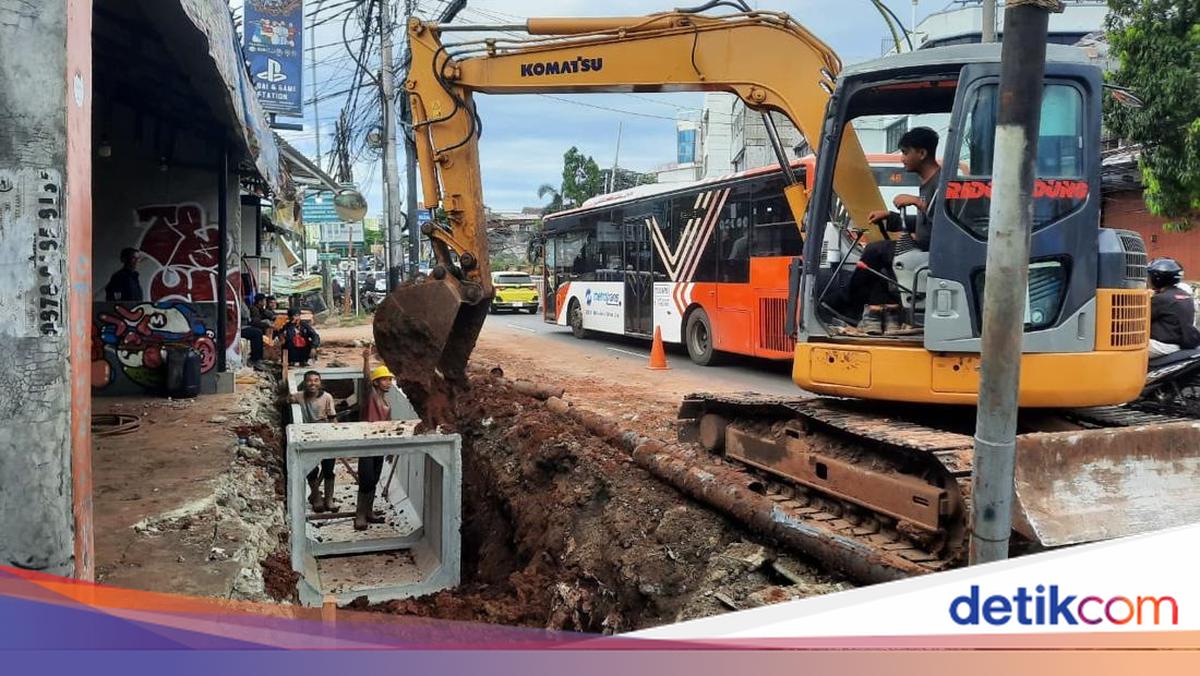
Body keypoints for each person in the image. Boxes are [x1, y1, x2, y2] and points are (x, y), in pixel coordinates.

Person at [837, 127, 942, 335]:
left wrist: (915, 202)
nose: (902, 159)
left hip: (934, 252)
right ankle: (884, 316)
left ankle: (849, 306)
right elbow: (925, 222)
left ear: (921, 154)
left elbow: (946, 219)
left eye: (905, 152)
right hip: (923, 248)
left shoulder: (942, 184)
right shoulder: (927, 184)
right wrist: (891, 217)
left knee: (873, 252)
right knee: (880, 266)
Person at [355, 345, 394, 530]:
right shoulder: (370, 396)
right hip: (366, 444)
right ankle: (360, 515)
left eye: (389, 379)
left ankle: (368, 512)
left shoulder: (387, 404)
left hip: (379, 445)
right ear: (377, 382)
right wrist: (365, 361)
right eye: (385, 379)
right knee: (365, 480)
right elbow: (365, 380)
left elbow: (390, 428)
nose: (388, 382)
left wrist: (391, 448)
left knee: (374, 479)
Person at [291, 371, 338, 512]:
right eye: (310, 380)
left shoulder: (327, 397)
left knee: (328, 469)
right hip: (309, 438)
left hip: (326, 437)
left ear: (320, 382)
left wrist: (337, 436)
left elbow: (333, 418)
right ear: (305, 383)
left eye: (316, 380)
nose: (313, 383)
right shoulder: (300, 396)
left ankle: (329, 499)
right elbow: (287, 399)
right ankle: (316, 497)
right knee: (312, 470)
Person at [1147, 258, 1200, 358]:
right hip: (1183, 342)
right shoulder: (1185, 295)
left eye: (1150, 276)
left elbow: (1140, 319)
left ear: (1158, 278)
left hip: (1164, 345)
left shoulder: (1160, 299)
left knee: (1126, 349)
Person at [240, 294, 274, 367]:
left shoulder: (261, 309)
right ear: (260, 302)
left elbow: (269, 314)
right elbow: (246, 315)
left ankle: (259, 358)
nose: (265, 302)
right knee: (257, 333)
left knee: (258, 332)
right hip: (240, 328)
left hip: (245, 326)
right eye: (264, 301)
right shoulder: (252, 308)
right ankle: (255, 359)